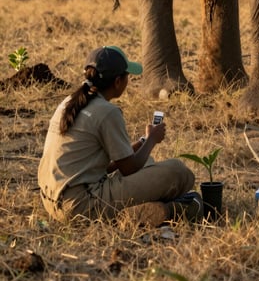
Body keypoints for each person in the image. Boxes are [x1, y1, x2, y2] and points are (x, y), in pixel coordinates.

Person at [38, 45, 200, 225]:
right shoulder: (107, 112)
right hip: (81, 206)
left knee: (147, 161)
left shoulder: (70, 103)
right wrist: (153, 140)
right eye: (127, 76)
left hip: (53, 201)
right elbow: (129, 168)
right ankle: (165, 210)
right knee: (178, 172)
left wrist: (142, 142)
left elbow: (100, 166)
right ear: (117, 81)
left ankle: (154, 208)